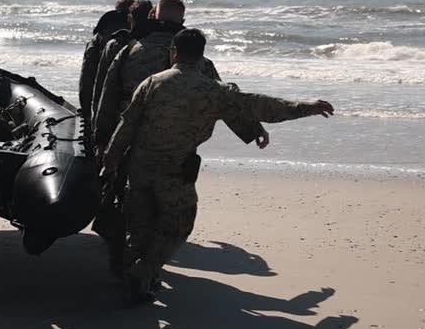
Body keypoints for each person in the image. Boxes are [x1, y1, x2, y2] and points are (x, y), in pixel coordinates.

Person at [102, 29, 334, 304]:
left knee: (140, 226)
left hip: (139, 167)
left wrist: (110, 162)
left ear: (173, 52)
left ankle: (127, 271)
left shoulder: (152, 83)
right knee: (177, 227)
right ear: (201, 57)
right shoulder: (214, 91)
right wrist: (306, 107)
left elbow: (126, 126)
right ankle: (144, 272)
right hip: (175, 172)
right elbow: (260, 106)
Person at [91, 0, 154, 123]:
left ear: (131, 18)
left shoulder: (117, 44)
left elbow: (103, 87)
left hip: (122, 116)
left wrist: (94, 121)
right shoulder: (168, 44)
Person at [78, 0, 134, 132]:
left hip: (101, 91)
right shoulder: (136, 33)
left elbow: (86, 82)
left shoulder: (99, 37)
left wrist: (86, 115)